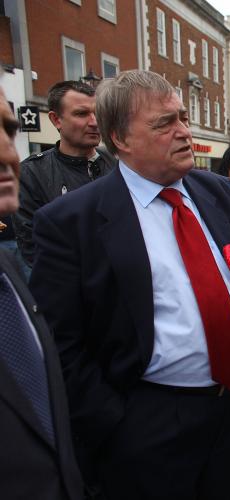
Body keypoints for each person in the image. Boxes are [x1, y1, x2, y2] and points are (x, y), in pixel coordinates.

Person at [28, 70, 230, 500]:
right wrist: (115, 422)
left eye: (182, 117)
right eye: (165, 123)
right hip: (148, 420)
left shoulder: (215, 190)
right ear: (120, 138)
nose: (185, 131)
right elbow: (59, 344)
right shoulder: (72, 221)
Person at [0, 82, 83, 499]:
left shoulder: (6, 278)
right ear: (55, 121)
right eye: (79, 114)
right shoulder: (38, 174)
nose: (7, 155)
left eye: (8, 132)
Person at [13, 81, 115, 268]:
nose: (94, 122)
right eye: (81, 114)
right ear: (56, 119)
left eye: (97, 113)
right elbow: (33, 249)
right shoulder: (31, 174)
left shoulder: (118, 162)